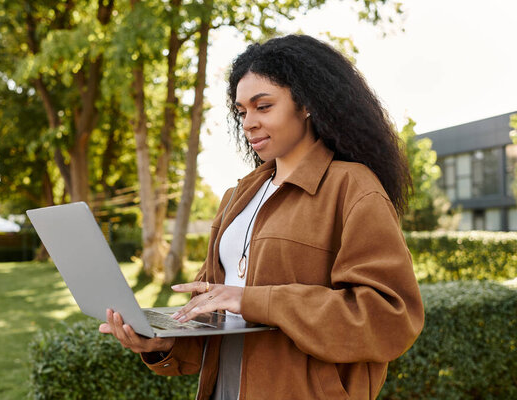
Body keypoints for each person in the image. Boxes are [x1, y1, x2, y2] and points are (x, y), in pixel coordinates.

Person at [99, 34, 424, 399]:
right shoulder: (237, 196)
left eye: (263, 106)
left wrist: (253, 300)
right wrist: (160, 342)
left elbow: (389, 318)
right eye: (242, 111)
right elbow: (214, 316)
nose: (248, 123)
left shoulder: (353, 188)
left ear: (306, 105)